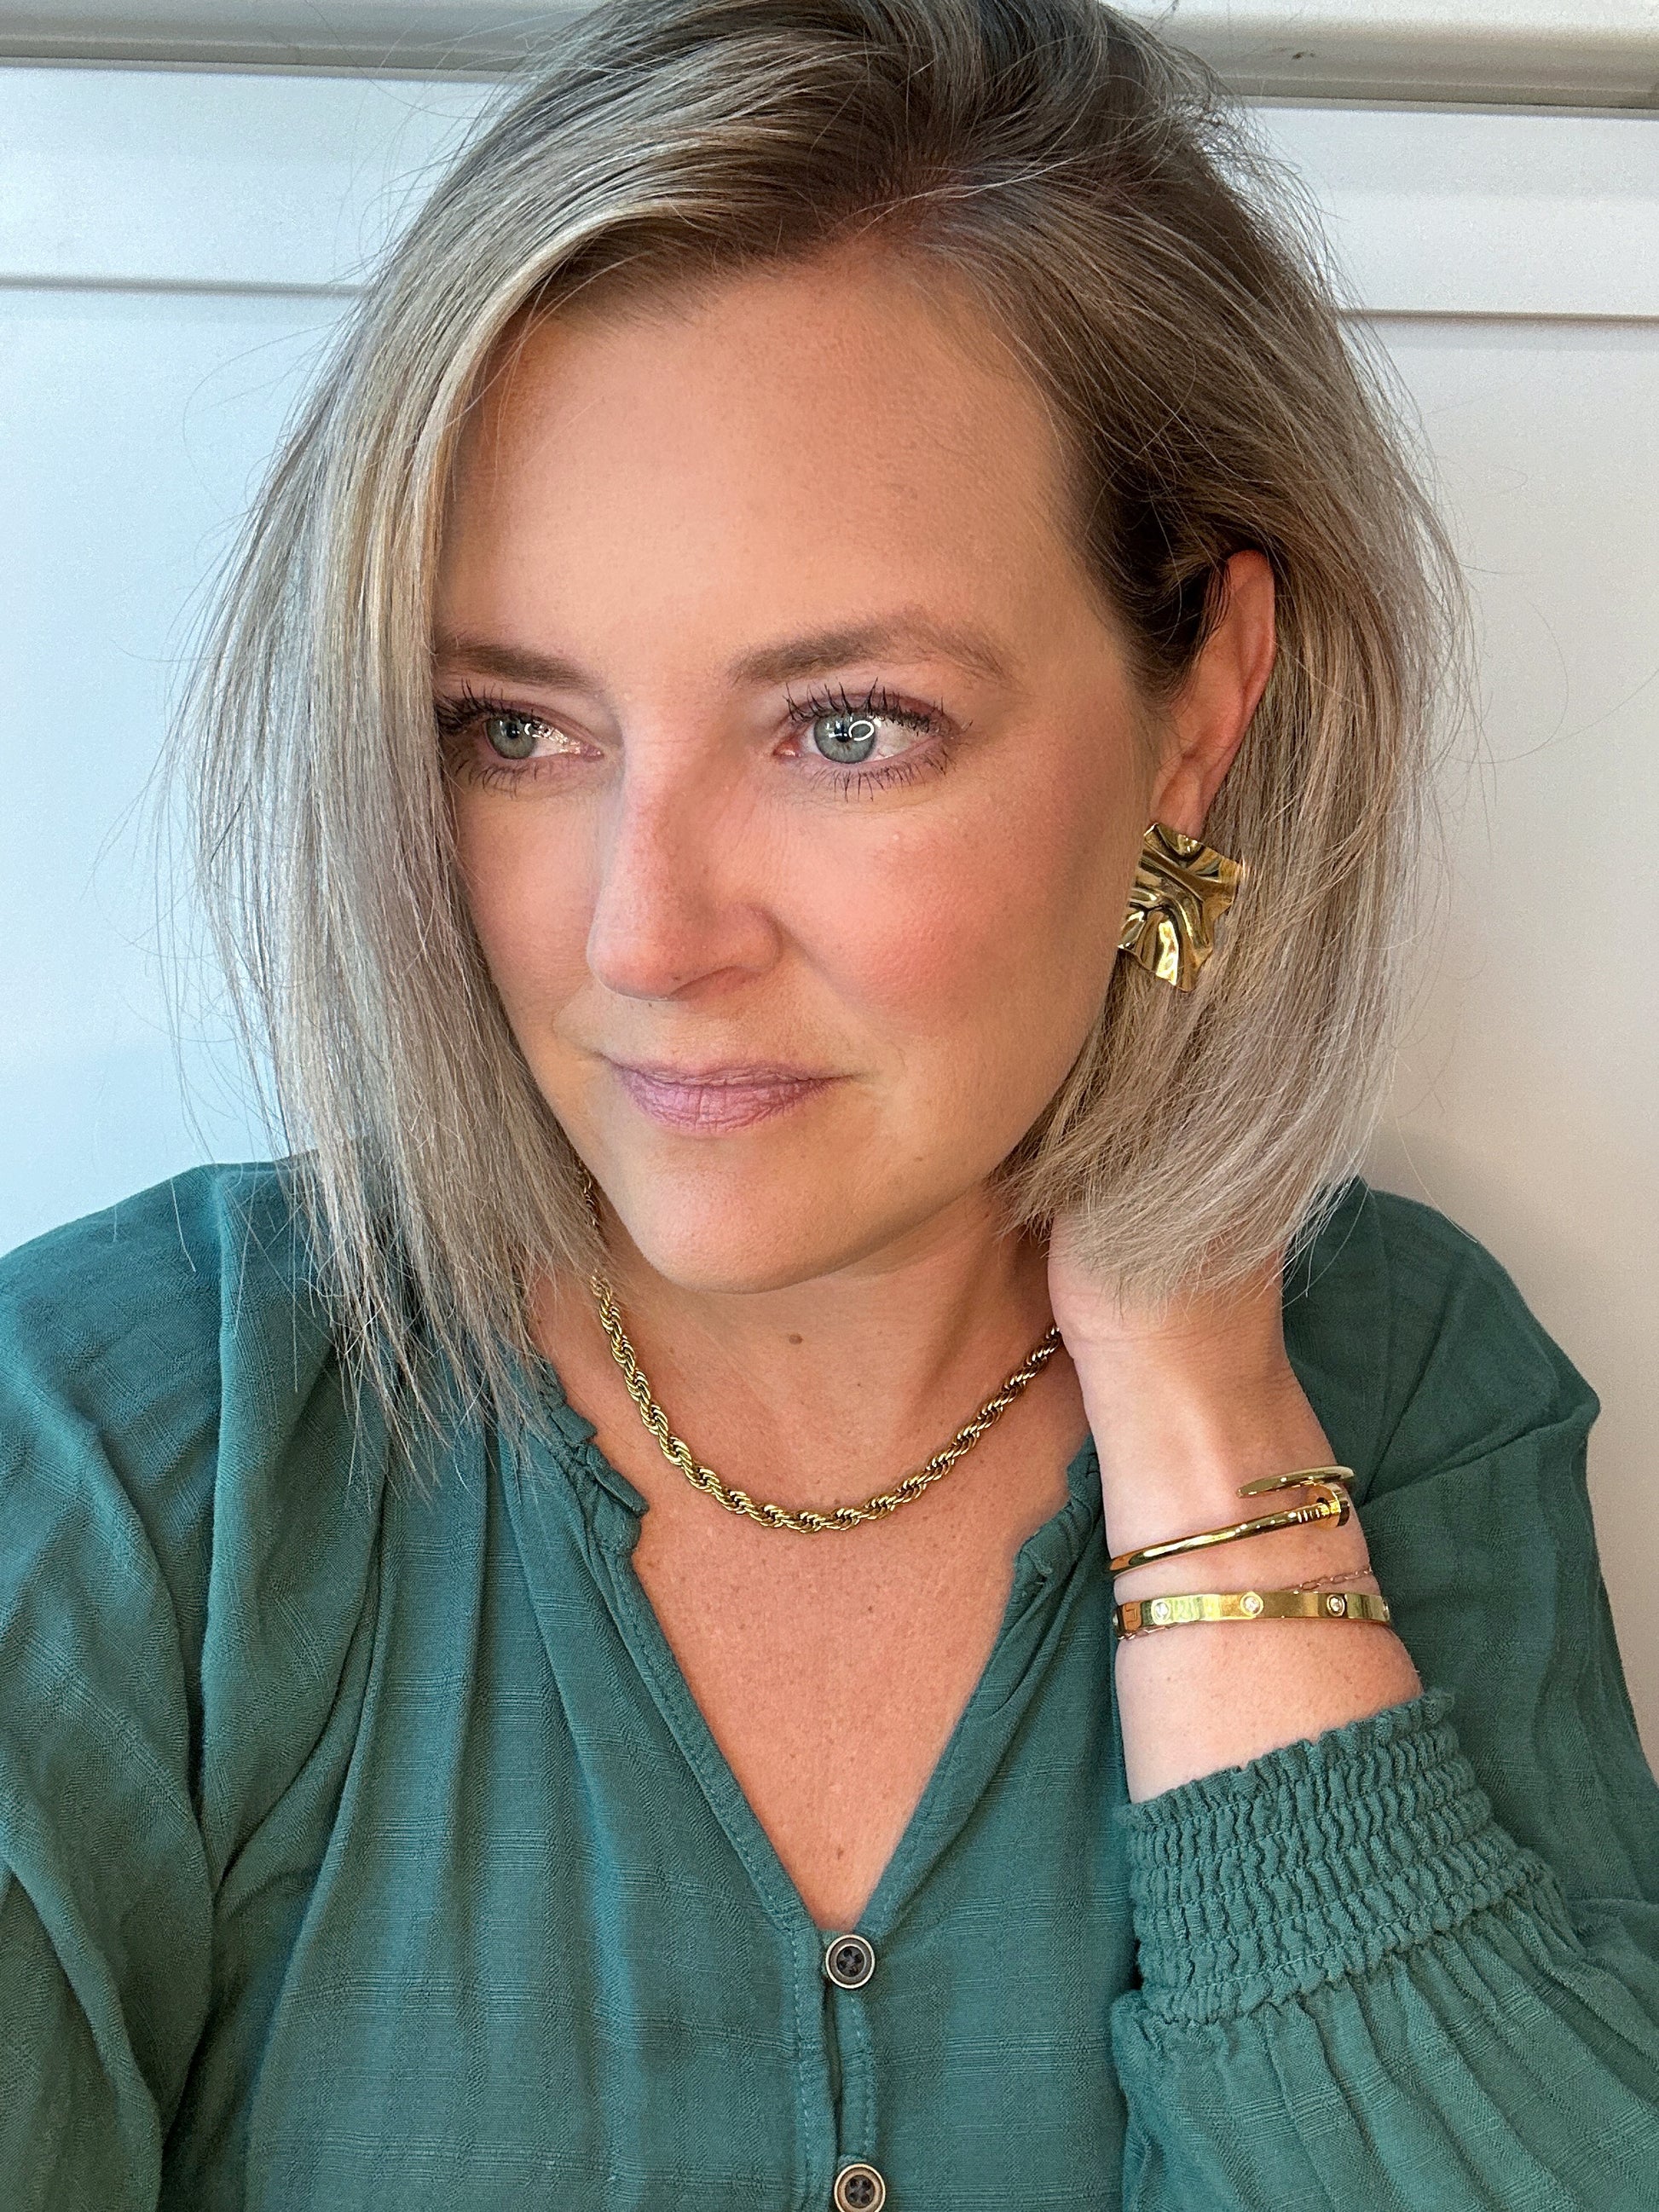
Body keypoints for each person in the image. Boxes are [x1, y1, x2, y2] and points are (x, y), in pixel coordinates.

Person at [3, 1, 1656, 2204]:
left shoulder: (1406, 1384)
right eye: (514, 727)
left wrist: (1199, 1405)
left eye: (846, 726)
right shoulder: (129, 1446)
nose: (642, 935)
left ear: (1201, 711)